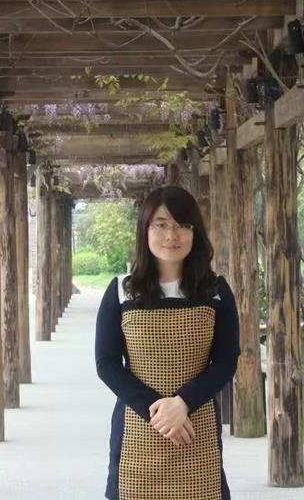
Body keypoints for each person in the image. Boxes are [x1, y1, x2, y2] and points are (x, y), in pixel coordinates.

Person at [95, 185, 241, 500]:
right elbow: (106, 364)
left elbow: (226, 360)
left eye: (182, 225)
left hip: (196, 428)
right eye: (161, 224)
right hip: (137, 430)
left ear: (195, 232)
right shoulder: (121, 291)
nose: (172, 235)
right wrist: (159, 413)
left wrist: (183, 403)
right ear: (145, 230)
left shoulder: (215, 291)